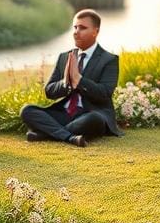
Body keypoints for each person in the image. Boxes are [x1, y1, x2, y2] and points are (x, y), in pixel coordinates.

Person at [20, 9, 122, 148]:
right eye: (75, 27)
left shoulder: (109, 59)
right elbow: (49, 91)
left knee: (94, 119)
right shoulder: (64, 57)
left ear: (95, 31)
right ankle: (69, 137)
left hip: (91, 114)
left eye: (83, 28)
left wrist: (79, 80)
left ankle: (45, 134)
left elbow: (104, 94)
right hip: (65, 113)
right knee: (27, 110)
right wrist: (66, 83)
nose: (76, 31)